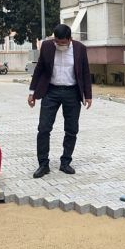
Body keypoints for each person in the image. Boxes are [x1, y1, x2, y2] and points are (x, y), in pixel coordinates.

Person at [28, 24, 92, 178]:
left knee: (71, 129)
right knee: (43, 128)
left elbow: (85, 72)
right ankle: (43, 165)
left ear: (70, 39)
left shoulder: (80, 49)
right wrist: (32, 92)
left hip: (72, 92)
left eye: (62, 42)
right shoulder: (47, 46)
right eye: (57, 42)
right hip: (51, 91)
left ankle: (65, 162)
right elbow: (39, 69)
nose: (59, 45)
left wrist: (88, 95)